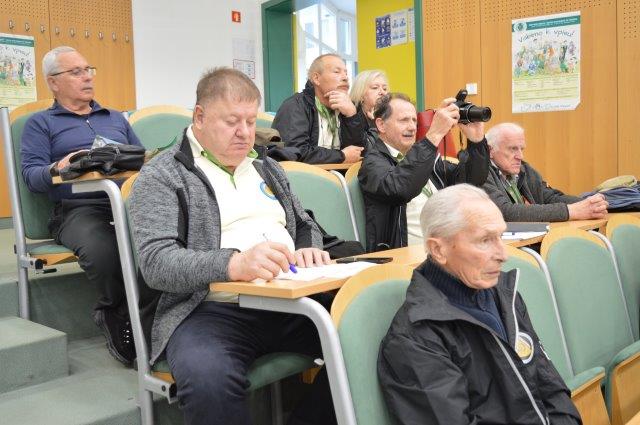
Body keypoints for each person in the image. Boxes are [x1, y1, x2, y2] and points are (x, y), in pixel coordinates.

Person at [129, 67, 336, 425]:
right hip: (210, 310)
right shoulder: (162, 175)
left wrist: (308, 247)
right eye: (231, 122)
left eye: (251, 121)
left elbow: (304, 224)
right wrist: (233, 265)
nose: (245, 133)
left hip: (291, 300)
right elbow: (157, 263)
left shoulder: (266, 167)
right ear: (199, 116)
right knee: (209, 380)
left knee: (369, 335)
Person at [378, 184, 582, 425]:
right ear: (438, 249)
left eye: (500, 237)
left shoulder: (505, 295)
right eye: (485, 240)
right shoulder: (415, 339)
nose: (503, 254)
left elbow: (551, 388)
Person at [21, 46, 141, 366]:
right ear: (53, 82)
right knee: (103, 249)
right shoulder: (40, 123)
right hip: (78, 208)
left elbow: (141, 158)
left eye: (88, 70)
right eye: (76, 72)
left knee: (161, 239)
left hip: (124, 204)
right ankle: (114, 311)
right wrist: (58, 167)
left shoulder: (115, 117)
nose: (87, 77)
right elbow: (31, 176)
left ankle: (155, 313)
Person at [358, 92, 489, 252]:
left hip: (445, 250)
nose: (412, 127)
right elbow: (401, 189)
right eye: (404, 120)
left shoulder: (424, 157)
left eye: (414, 120)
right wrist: (434, 135)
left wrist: (476, 142)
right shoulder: (372, 163)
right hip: (404, 257)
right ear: (381, 125)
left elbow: (470, 182)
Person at [483, 122, 608, 222]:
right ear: (490, 150)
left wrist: (590, 204)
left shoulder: (524, 169)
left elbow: (549, 197)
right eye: (513, 149)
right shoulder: (480, 174)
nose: (520, 156)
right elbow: (505, 212)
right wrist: (571, 211)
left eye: (521, 149)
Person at [272, 53, 366, 164]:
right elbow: (295, 152)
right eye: (337, 72)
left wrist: (351, 116)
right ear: (316, 78)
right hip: (306, 173)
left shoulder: (349, 107)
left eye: (346, 73)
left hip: (342, 172)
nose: (345, 78)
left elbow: (360, 153)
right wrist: (341, 156)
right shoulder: (296, 105)